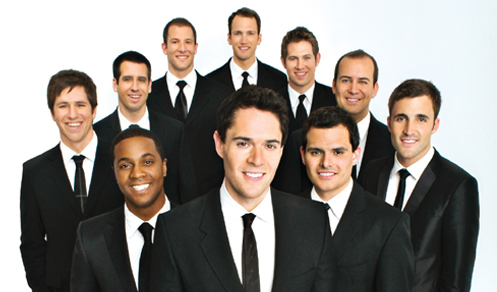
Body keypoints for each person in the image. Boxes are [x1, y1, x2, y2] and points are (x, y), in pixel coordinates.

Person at [150, 86, 333, 292]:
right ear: (220, 144)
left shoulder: (314, 221)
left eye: (269, 146)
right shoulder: (176, 230)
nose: (257, 160)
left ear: (281, 150)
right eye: (244, 143)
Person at [360, 79, 479, 292]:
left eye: (421, 119)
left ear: (435, 125)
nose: (409, 129)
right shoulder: (371, 171)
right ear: (389, 122)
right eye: (401, 118)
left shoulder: (458, 186)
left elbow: (456, 283)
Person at [20, 70, 123, 292]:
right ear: (52, 113)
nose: (72, 114)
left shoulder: (120, 159)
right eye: (63, 105)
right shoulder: (35, 172)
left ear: (94, 110)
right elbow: (32, 243)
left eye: (80, 105)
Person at [300, 106, 414, 291]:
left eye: (338, 152)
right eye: (316, 152)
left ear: (355, 155)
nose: (326, 162)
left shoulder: (388, 225)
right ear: (303, 155)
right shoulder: (281, 214)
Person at [273, 49, 394, 194]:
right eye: (346, 80)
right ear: (334, 86)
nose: (353, 89)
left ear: (374, 89)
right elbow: (288, 201)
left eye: (362, 81)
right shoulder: (298, 139)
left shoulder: (391, 142)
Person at [71, 126, 174, 292]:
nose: (137, 173)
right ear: (115, 173)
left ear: (164, 167)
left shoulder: (197, 226)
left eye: (147, 162)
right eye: (126, 165)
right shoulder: (91, 237)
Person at [93, 51, 194, 204]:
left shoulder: (174, 130)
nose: (135, 87)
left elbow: (187, 192)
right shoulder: (96, 134)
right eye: (127, 79)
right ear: (115, 84)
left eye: (141, 80)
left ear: (149, 85)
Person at [147, 18, 231, 198]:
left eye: (188, 42)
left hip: (211, 196)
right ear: (164, 47)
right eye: (175, 42)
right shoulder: (149, 96)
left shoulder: (220, 94)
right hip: (162, 197)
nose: (182, 48)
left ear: (196, 47)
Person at [206, 7, 287, 93]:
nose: (244, 41)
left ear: (259, 38)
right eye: (238, 33)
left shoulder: (279, 80)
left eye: (250, 33)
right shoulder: (210, 81)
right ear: (229, 38)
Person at [278, 26, 336, 132]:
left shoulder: (335, 100)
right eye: (293, 58)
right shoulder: (272, 103)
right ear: (283, 62)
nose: (300, 66)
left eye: (306, 58)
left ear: (317, 59)